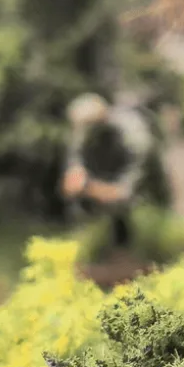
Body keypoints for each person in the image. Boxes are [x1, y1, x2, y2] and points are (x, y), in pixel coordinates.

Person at [61, 92, 168, 250]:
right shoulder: (87, 128)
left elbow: (126, 191)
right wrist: (75, 172)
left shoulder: (136, 140)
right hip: (110, 159)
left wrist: (92, 189)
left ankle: (138, 247)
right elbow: (76, 153)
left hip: (143, 173)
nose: (83, 135)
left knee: (141, 213)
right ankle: (94, 242)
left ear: (103, 121)